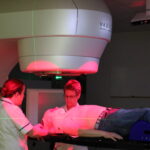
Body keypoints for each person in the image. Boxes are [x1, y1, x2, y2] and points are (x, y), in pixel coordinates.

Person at [42, 79, 123, 143]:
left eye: (71, 96)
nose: (68, 99)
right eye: (66, 96)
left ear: (79, 95)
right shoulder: (58, 113)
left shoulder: (84, 114)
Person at [0, 79, 49, 150]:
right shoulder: (13, 109)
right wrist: (47, 131)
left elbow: (11, 128)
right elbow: (31, 132)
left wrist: (35, 128)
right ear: (17, 94)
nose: (24, 96)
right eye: (23, 93)